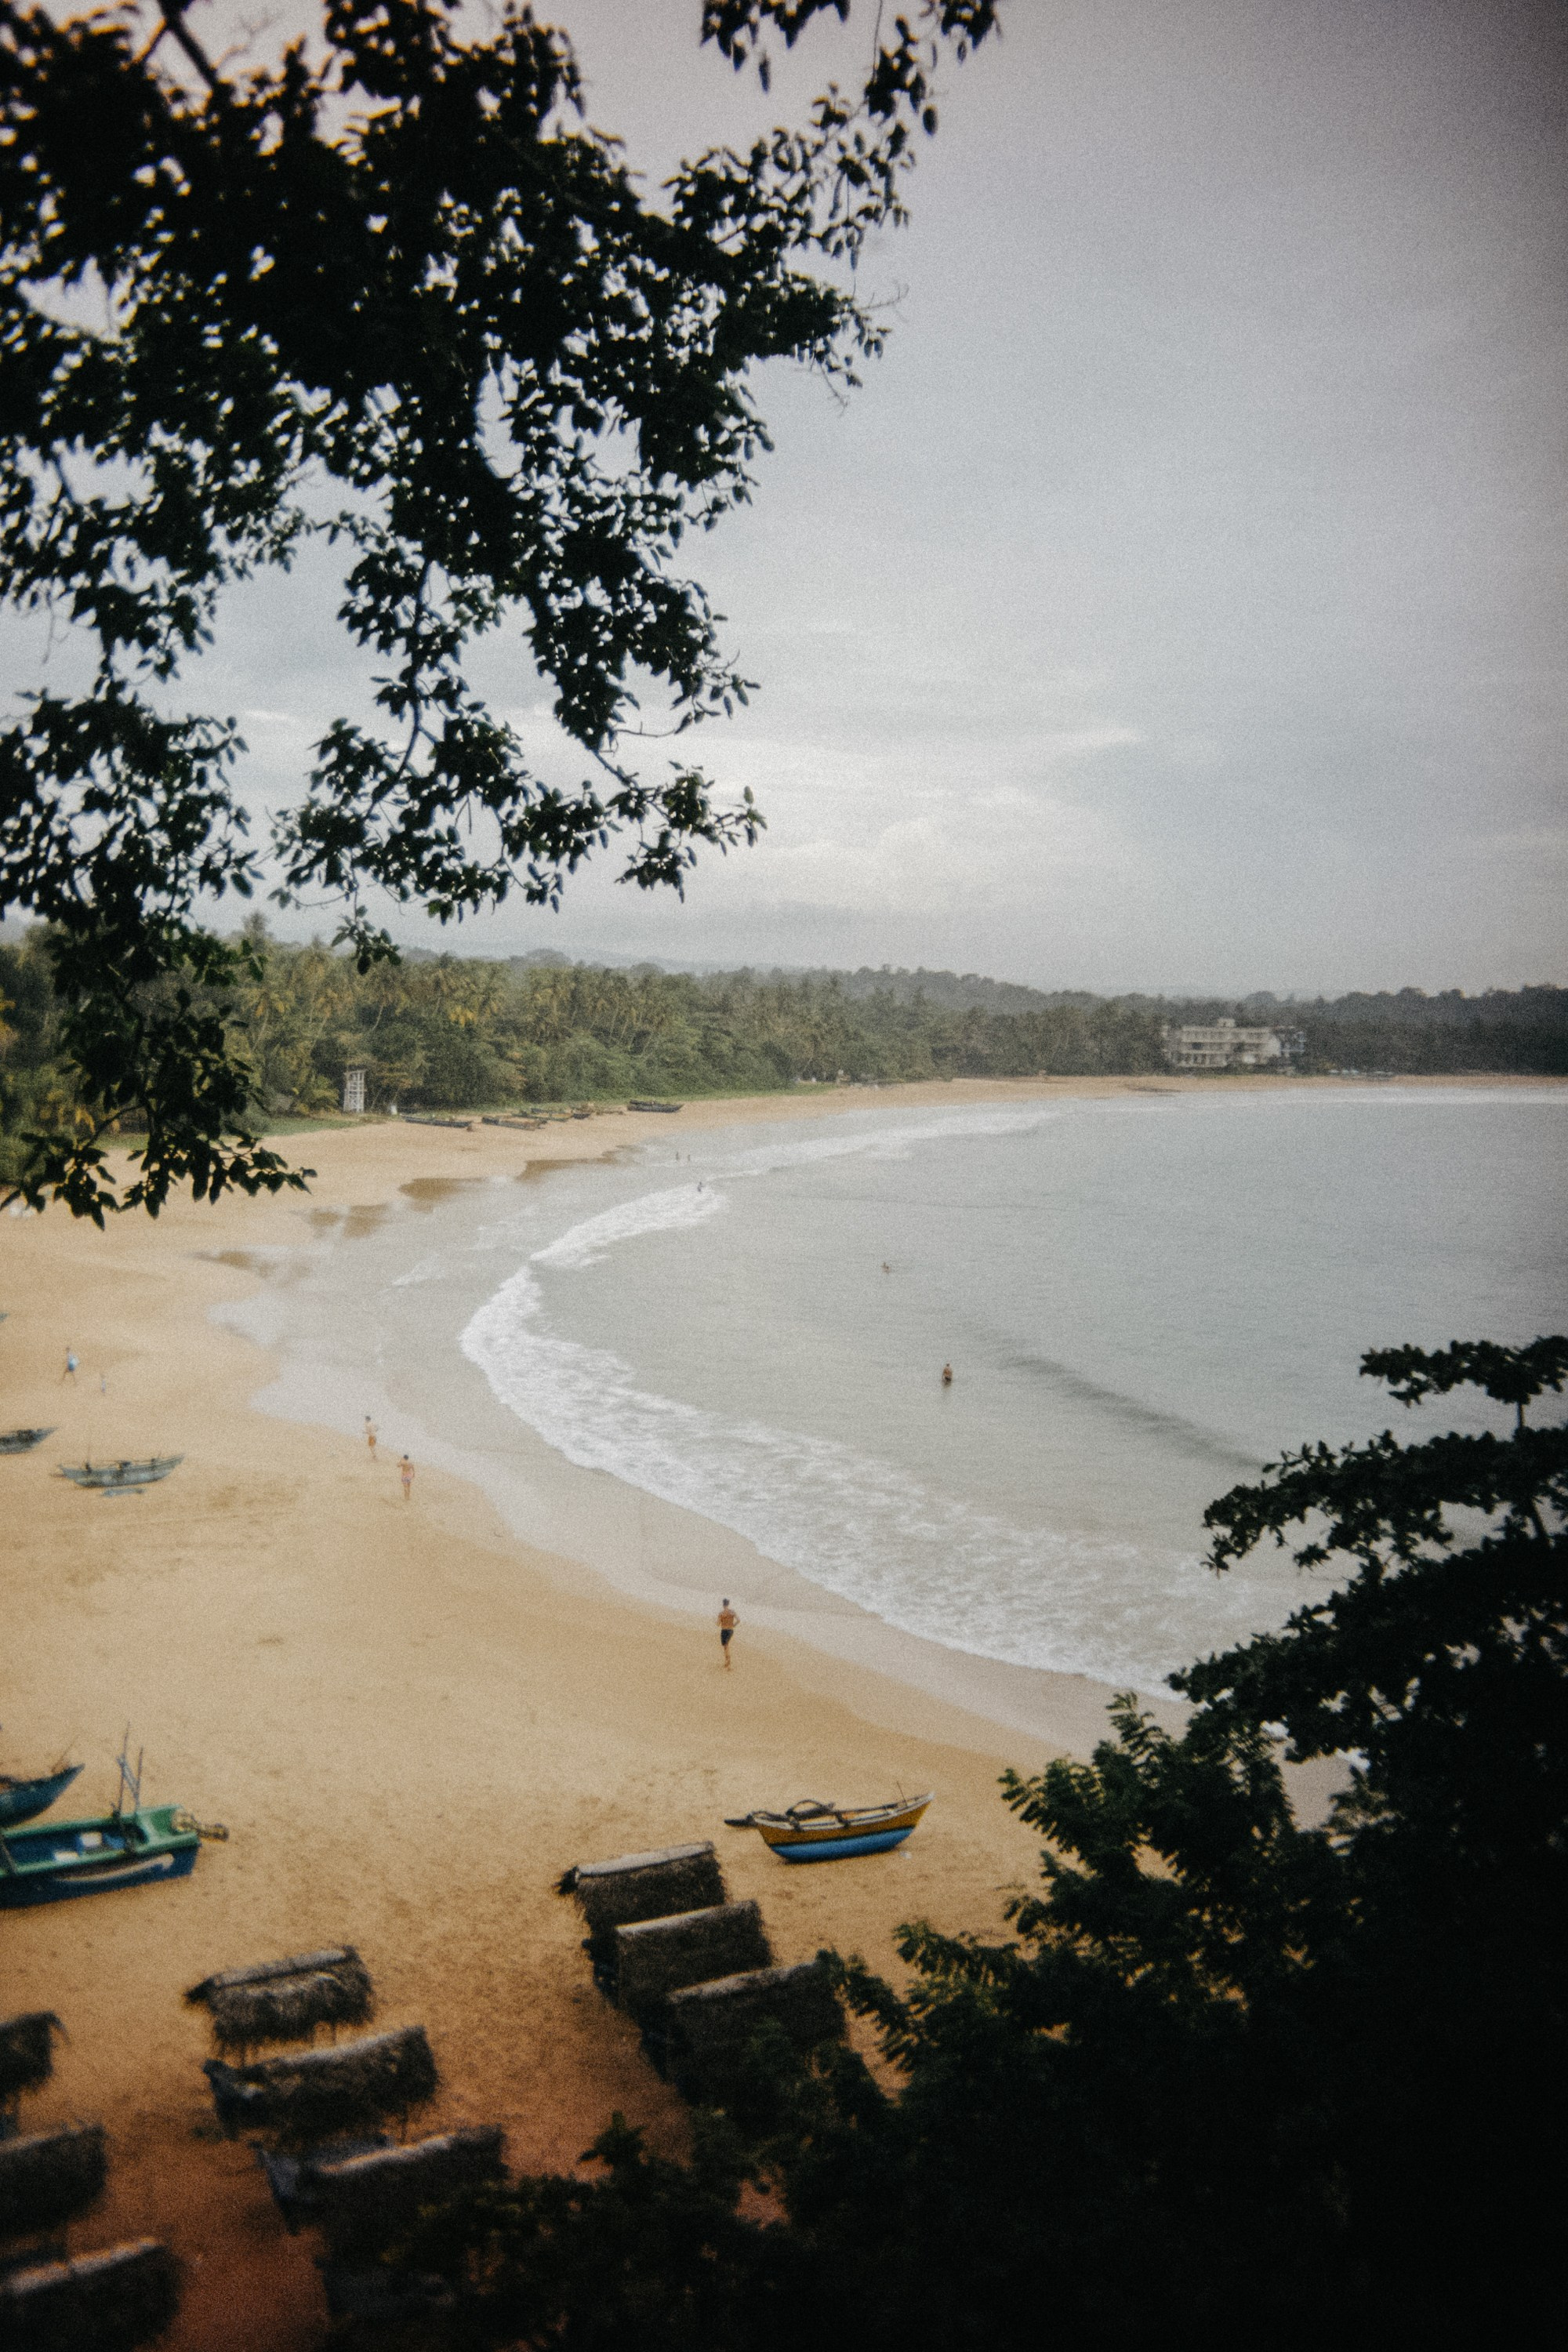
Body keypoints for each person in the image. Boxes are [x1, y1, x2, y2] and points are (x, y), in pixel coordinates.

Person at [717, 1598, 739, 1668]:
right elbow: (738, 1620)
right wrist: (733, 1625)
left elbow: (718, 1624)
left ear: (723, 1605)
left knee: (725, 1646)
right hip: (731, 1630)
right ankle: (727, 1660)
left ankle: (728, 1660)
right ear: (728, 1604)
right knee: (727, 1645)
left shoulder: (721, 1613)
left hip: (724, 1630)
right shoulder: (732, 1612)